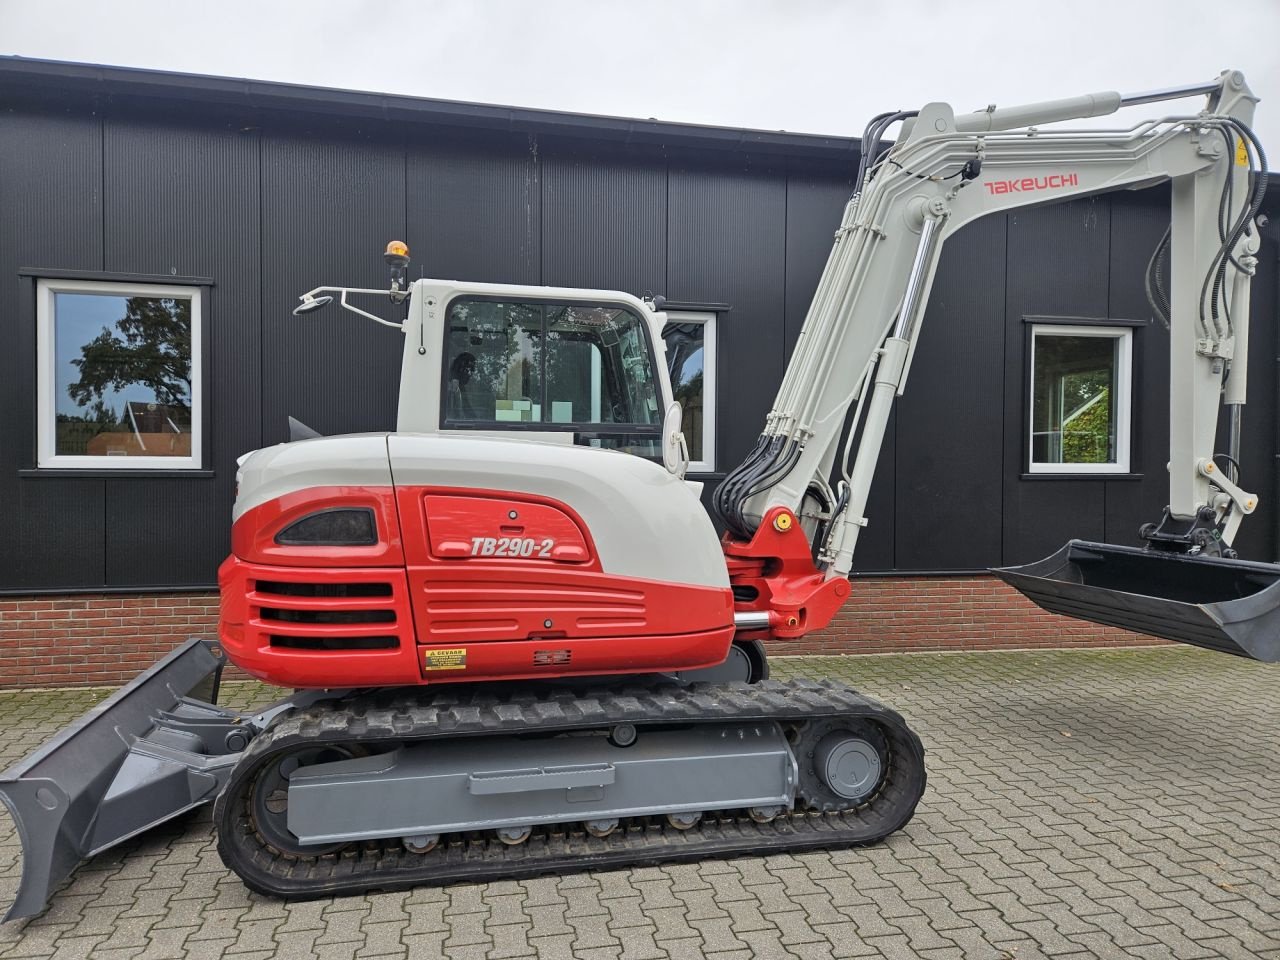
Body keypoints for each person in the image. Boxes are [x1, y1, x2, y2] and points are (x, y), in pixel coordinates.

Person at [447, 352, 494, 419]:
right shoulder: (452, 389)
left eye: (470, 371)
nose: (469, 374)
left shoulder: (462, 389)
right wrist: (455, 379)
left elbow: (467, 407)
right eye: (467, 370)